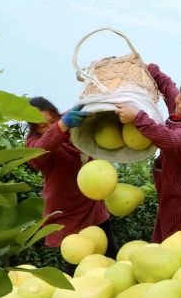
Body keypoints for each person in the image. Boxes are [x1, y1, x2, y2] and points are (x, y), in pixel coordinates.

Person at [114, 64, 181, 242]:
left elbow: (172, 140)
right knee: (163, 246)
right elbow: (166, 84)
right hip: (168, 193)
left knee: (178, 246)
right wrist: (142, 66)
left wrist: (138, 118)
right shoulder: (179, 112)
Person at [25, 97, 115, 261]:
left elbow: (90, 105)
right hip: (67, 217)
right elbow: (39, 152)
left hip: (94, 208)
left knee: (109, 260)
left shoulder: (70, 122)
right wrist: (62, 124)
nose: (50, 127)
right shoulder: (33, 144)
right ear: (34, 129)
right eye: (42, 126)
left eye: (53, 121)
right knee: (76, 269)